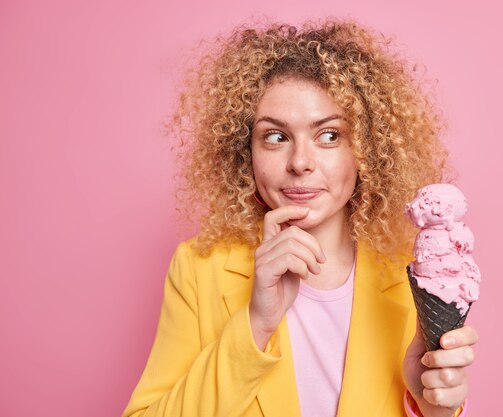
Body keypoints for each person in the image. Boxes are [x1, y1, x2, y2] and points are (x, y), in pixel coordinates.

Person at [122, 19, 479, 417]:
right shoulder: (198, 268)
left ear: (367, 149)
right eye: (276, 137)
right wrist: (256, 323)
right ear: (246, 153)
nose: (300, 163)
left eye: (328, 135)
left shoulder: (411, 274)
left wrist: (431, 410)